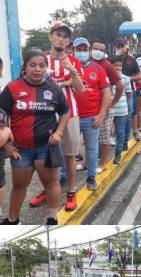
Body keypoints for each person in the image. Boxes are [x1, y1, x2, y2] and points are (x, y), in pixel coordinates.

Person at [0, 48, 70, 225]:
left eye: (41, 65)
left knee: (51, 183)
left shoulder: (54, 89)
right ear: (25, 68)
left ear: (46, 68)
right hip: (20, 150)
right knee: (18, 186)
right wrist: (7, 144)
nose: (37, 69)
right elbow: (2, 117)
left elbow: (65, 112)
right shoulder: (12, 88)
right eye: (32, 65)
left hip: (46, 148)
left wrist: (59, 132)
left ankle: (52, 218)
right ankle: (13, 220)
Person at [33, 21, 84, 213]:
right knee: (45, 157)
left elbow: (80, 89)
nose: (61, 39)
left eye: (65, 36)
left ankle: (71, 192)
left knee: (70, 157)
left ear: (68, 41)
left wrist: (72, 71)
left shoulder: (73, 61)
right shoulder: (40, 59)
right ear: (50, 36)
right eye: (58, 35)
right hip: (44, 116)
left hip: (69, 114)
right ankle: (49, 190)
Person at [72, 37, 111, 191]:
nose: (81, 53)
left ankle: (91, 177)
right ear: (73, 51)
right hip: (70, 118)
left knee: (92, 148)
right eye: (78, 50)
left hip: (90, 117)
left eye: (84, 50)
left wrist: (100, 116)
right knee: (67, 151)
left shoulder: (98, 69)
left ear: (89, 52)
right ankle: (63, 176)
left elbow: (106, 94)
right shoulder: (67, 68)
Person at [90, 40, 124, 172]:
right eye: (95, 48)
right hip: (90, 108)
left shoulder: (107, 65)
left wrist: (113, 102)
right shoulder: (87, 63)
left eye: (100, 50)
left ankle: (102, 164)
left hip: (104, 108)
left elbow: (120, 85)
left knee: (104, 137)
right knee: (90, 138)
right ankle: (88, 163)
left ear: (104, 52)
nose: (97, 51)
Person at [113, 38, 141, 151]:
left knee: (128, 116)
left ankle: (125, 141)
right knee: (113, 116)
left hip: (129, 91)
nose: (121, 48)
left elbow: (139, 75)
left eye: (122, 46)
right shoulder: (112, 59)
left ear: (126, 46)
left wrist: (130, 78)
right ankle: (117, 137)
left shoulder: (131, 59)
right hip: (114, 91)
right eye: (118, 46)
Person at [109, 56, 133, 165]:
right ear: (111, 66)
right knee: (105, 133)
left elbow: (129, 94)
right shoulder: (106, 77)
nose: (118, 67)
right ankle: (100, 154)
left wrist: (127, 107)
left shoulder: (125, 78)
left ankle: (118, 154)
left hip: (122, 109)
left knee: (120, 132)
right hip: (108, 109)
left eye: (120, 65)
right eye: (115, 65)